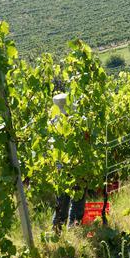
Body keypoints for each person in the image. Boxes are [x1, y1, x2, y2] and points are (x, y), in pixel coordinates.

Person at [50, 92, 85, 231]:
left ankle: (60, 226)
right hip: (71, 164)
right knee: (73, 195)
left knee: (64, 197)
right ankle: (71, 226)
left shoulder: (53, 123)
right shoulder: (74, 122)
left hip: (64, 165)